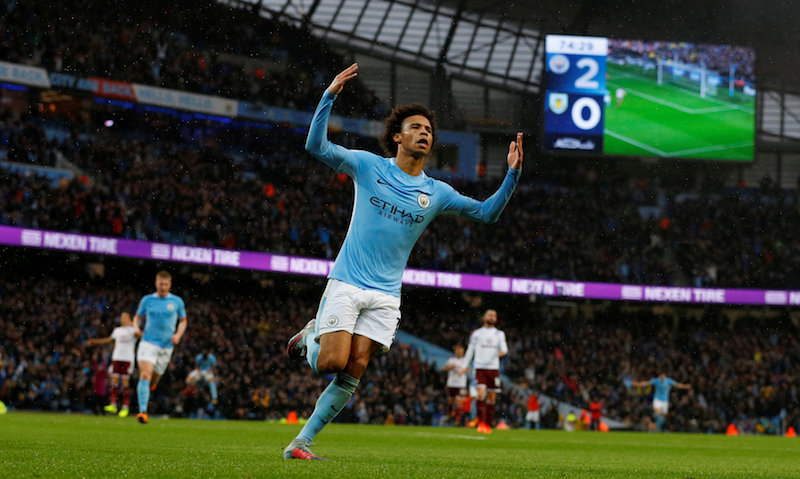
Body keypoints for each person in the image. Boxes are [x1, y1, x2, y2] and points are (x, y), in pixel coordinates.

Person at [284, 63, 523, 460]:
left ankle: (300, 444)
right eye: (416, 127)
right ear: (397, 136)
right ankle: (310, 336)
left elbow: (486, 213)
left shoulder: (437, 192)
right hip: (348, 282)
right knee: (330, 361)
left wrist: (511, 175)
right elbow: (317, 147)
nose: (424, 133)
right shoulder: (368, 166)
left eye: (428, 130)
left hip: (386, 295)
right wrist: (328, 96)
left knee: (354, 368)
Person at [133, 271, 187, 424]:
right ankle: (143, 412)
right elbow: (137, 317)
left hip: (166, 347)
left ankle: (152, 384)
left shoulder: (177, 301)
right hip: (148, 342)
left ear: (169, 285)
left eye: (166, 284)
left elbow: (183, 321)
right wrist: (136, 328)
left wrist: (178, 335)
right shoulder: (147, 300)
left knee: (154, 378)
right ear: (156, 284)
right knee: (145, 374)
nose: (163, 287)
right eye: (160, 284)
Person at [459, 309, 508, 434]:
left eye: (494, 315)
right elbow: (470, 350)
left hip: (494, 369)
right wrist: (464, 365)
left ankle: (488, 424)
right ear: (484, 317)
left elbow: (504, 349)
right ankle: (481, 423)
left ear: (496, 319)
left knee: (492, 397)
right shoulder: (476, 334)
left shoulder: (499, 334)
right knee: (480, 395)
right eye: (490, 315)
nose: (492, 317)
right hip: (480, 368)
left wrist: (499, 353)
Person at [86, 312, 137, 417]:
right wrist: (94, 341)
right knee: (114, 382)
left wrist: (134, 324)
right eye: (121, 317)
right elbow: (109, 340)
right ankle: (113, 404)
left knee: (125, 383)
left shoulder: (133, 330)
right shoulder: (117, 330)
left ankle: (125, 407)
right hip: (116, 357)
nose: (122, 319)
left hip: (127, 359)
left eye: (125, 317)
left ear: (129, 319)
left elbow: (141, 335)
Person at [441, 344, 468, 426]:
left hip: (461, 384)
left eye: (461, 350)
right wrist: (450, 367)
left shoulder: (465, 360)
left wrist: (463, 371)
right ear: (455, 351)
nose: (459, 352)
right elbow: (444, 368)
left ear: (463, 351)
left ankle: (457, 420)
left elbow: (468, 368)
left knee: (459, 401)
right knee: (450, 401)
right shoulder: (451, 360)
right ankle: (450, 415)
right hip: (451, 383)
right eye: (458, 350)